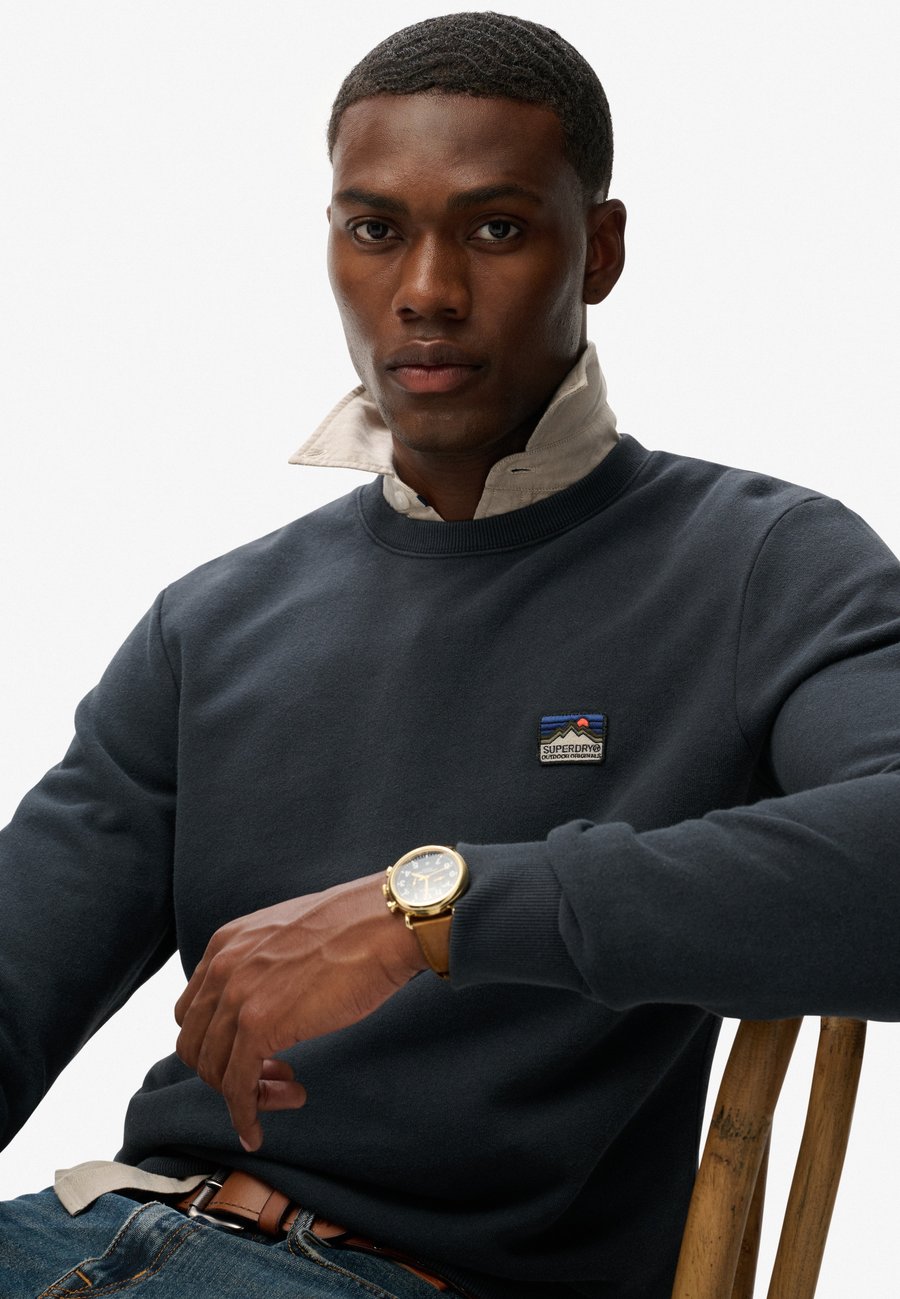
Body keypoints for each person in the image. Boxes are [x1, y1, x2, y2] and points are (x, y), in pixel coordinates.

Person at [2, 10, 899, 1299]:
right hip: (85, 1234)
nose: (425, 289)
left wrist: (428, 910)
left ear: (599, 250)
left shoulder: (764, 564)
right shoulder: (214, 619)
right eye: (376, 229)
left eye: (495, 228)